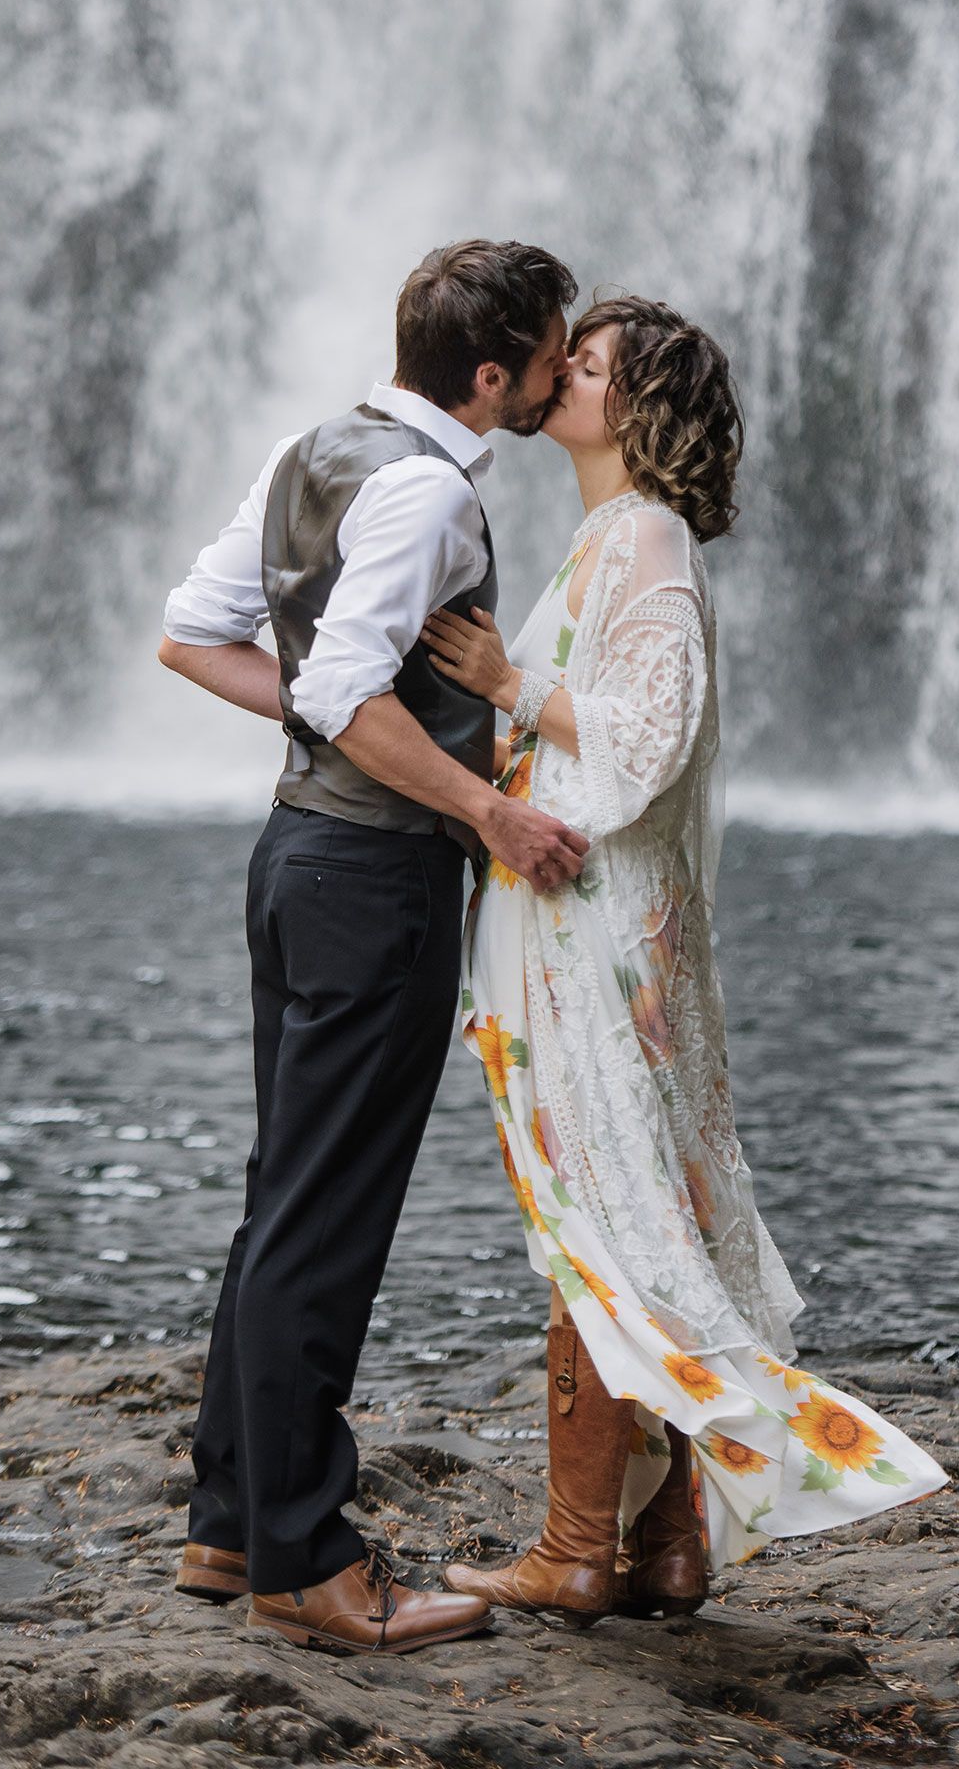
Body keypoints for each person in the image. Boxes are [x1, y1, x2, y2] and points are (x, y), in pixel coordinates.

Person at [420, 296, 948, 1625]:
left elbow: (645, 747)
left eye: (585, 367)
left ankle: (573, 1550)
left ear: (638, 410)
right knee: (635, 1216)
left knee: (600, 1227)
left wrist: (504, 685)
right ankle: (666, 1547)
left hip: (599, 936)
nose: (559, 378)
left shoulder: (642, 535)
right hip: (591, 925)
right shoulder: (607, 537)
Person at [156, 239, 590, 1656]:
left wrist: (338, 748)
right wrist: (487, 813)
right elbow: (342, 684)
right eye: (549, 355)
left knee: (285, 1194)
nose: (557, 374)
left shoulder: (315, 448)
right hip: (380, 879)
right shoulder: (424, 491)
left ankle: (234, 1524)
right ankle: (306, 1560)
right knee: (325, 1217)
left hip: (295, 860)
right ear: (490, 374)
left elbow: (195, 635)